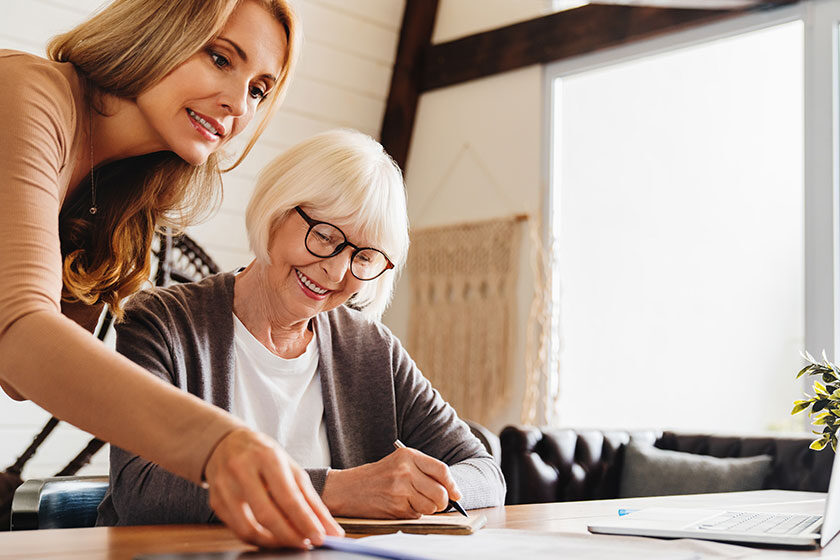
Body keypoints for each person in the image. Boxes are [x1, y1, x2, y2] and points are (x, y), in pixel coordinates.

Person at [0, 0, 344, 548]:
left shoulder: (117, 199)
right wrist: (219, 443)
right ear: (158, 29)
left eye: (259, 89)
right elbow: (19, 340)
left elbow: (19, 383)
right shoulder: (25, 92)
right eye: (219, 57)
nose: (236, 103)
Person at [96, 129, 507, 526]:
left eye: (364, 257)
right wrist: (339, 489)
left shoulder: (371, 349)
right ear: (276, 211)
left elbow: (485, 474)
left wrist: (420, 489)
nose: (336, 270)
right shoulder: (162, 323)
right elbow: (141, 488)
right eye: (325, 236)